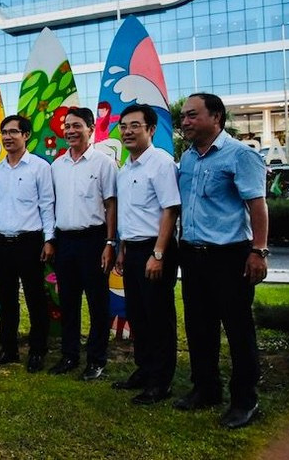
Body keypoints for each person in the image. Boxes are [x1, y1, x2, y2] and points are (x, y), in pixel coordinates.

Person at [174, 93, 268, 429]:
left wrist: (258, 250)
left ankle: (245, 400)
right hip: (193, 255)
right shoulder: (188, 159)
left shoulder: (240, 155)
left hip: (230, 256)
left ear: (216, 117)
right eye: (183, 116)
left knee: (238, 329)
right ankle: (206, 389)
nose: (184, 121)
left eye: (191, 115)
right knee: (200, 327)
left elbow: (257, 205)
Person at [112, 104, 180, 404]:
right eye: (123, 125)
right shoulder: (126, 168)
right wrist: (123, 249)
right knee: (138, 315)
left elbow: (170, 209)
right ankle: (144, 369)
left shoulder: (161, 163)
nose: (127, 131)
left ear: (151, 129)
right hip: (134, 249)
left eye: (134, 125)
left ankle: (161, 381)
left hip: (156, 249)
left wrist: (159, 253)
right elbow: (129, 213)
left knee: (158, 316)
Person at [49, 107, 117, 380]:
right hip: (65, 240)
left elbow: (111, 205)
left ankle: (97, 359)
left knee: (98, 302)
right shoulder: (57, 166)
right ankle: (69, 355)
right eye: (67, 126)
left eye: (77, 126)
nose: (70, 131)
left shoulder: (103, 163)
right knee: (68, 301)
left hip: (94, 239)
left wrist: (110, 242)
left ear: (90, 128)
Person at [0, 115, 55, 371]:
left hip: (30, 242)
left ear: (26, 135)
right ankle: (9, 349)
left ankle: (38, 351)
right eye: (4, 132)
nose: (7, 137)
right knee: (6, 299)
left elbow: (47, 206)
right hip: (1, 242)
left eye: (13, 132)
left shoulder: (39, 167)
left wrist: (49, 240)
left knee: (35, 298)